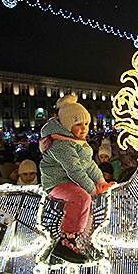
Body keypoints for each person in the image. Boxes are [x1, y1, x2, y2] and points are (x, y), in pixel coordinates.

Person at [39, 95, 115, 263]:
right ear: (67, 125)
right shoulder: (61, 144)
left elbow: (89, 165)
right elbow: (74, 169)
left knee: (89, 197)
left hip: (70, 181)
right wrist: (92, 188)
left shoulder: (78, 142)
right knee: (80, 197)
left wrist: (101, 182)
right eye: (78, 124)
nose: (84, 129)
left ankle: (82, 237)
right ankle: (67, 241)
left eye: (86, 124)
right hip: (56, 181)